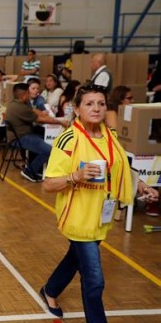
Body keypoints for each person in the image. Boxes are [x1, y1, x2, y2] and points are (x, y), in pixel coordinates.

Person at [39, 84, 158, 321]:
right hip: (78, 217)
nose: (96, 108)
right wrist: (76, 176)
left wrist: (142, 185)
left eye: (101, 103)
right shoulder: (68, 140)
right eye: (89, 104)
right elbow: (48, 184)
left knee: (76, 258)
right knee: (94, 280)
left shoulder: (110, 135)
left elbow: (122, 167)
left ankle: (49, 290)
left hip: (100, 216)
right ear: (77, 109)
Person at [5, 83, 66, 182]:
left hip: (21, 135)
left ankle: (35, 168)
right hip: (20, 138)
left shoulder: (15, 103)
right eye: (28, 93)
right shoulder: (21, 108)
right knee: (49, 150)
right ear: (24, 95)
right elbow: (41, 120)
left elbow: (33, 110)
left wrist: (43, 114)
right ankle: (29, 171)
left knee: (41, 137)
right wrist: (61, 122)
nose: (30, 95)